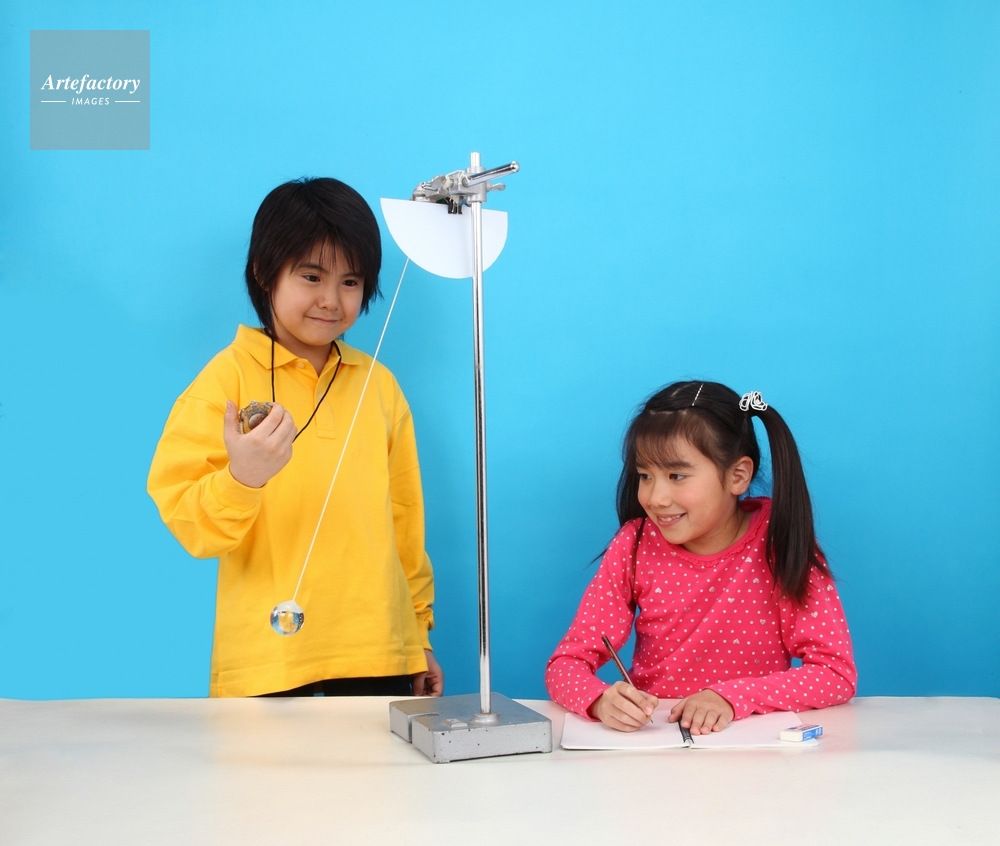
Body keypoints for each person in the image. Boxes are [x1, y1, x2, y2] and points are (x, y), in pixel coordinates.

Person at [148, 178, 444, 698]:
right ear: (264, 272)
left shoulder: (379, 385)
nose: (331, 300)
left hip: (378, 650)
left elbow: (405, 522)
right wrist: (243, 478)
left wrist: (417, 635)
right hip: (268, 657)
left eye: (351, 281)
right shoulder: (224, 381)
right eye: (311, 276)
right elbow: (192, 525)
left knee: (381, 759)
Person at [545, 381, 855, 733]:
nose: (656, 498)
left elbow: (835, 674)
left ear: (738, 476)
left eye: (676, 475)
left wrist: (730, 698)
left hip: (753, 744)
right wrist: (600, 700)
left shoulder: (780, 540)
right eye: (645, 475)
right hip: (658, 740)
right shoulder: (634, 544)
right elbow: (565, 664)